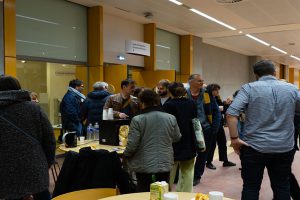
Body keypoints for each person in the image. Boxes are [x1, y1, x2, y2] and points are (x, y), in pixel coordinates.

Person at [226, 60, 300, 199]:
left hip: (254, 147)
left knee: (250, 188)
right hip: (283, 147)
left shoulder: (249, 88)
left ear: (255, 74)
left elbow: (231, 113)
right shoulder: (292, 89)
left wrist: (235, 139)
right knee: (282, 186)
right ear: (275, 73)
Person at [0, 75, 56, 200]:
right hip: (34, 165)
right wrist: (48, 161)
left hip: (4, 170)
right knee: (41, 196)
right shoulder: (33, 108)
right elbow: (50, 139)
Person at [123, 89, 181, 192]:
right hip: (164, 160)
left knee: (144, 191)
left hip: (143, 163)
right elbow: (177, 137)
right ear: (157, 101)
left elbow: (132, 144)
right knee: (163, 190)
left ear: (142, 102)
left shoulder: (138, 119)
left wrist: (126, 155)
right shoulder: (171, 118)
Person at [186, 74, 221, 186]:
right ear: (190, 82)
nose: (202, 83)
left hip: (205, 128)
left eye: (202, 81)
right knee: (188, 153)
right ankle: (185, 174)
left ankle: (197, 176)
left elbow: (216, 111)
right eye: (199, 81)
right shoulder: (183, 94)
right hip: (188, 129)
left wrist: (214, 128)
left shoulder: (207, 93)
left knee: (202, 154)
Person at [164, 82, 197, 192]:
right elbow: (195, 121)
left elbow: (167, 125)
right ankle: (186, 196)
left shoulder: (168, 105)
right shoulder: (191, 103)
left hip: (172, 142)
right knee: (188, 172)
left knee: (169, 173)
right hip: (189, 141)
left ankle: (166, 195)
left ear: (170, 91)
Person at [205, 84, 236, 170]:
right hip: (211, 124)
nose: (218, 92)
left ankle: (225, 160)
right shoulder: (207, 99)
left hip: (219, 124)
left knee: (222, 142)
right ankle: (208, 162)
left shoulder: (216, 98)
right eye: (216, 90)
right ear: (212, 90)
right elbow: (207, 111)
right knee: (212, 144)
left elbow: (223, 111)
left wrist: (226, 104)